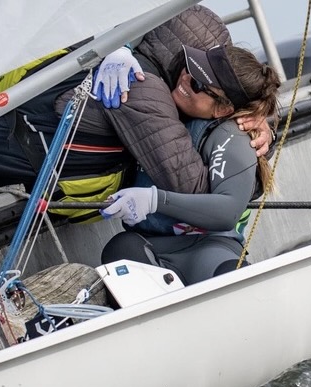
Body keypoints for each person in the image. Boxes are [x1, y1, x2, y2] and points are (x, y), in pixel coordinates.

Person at [0, 5, 273, 231]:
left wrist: (255, 131)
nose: (189, 81)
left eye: (205, 86)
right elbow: (199, 191)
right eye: (192, 67)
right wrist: (246, 164)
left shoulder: (114, 46)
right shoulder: (141, 88)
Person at [99, 44, 280, 285]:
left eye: (198, 84)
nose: (185, 80)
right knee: (119, 248)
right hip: (150, 244)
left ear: (224, 109)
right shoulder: (162, 105)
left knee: (230, 275)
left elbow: (227, 211)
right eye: (189, 70)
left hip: (210, 248)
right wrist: (121, 48)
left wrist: (154, 200)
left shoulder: (233, 135)